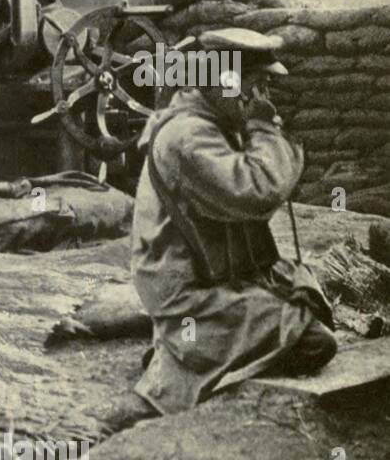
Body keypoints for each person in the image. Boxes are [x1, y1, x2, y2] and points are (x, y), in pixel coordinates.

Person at [131, 27, 336, 414]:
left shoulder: (215, 122)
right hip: (189, 290)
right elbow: (258, 191)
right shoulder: (187, 135)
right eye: (255, 85)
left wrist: (259, 128)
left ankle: (196, 352)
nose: (261, 98)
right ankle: (184, 358)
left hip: (219, 274)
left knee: (306, 295)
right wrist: (264, 129)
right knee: (314, 341)